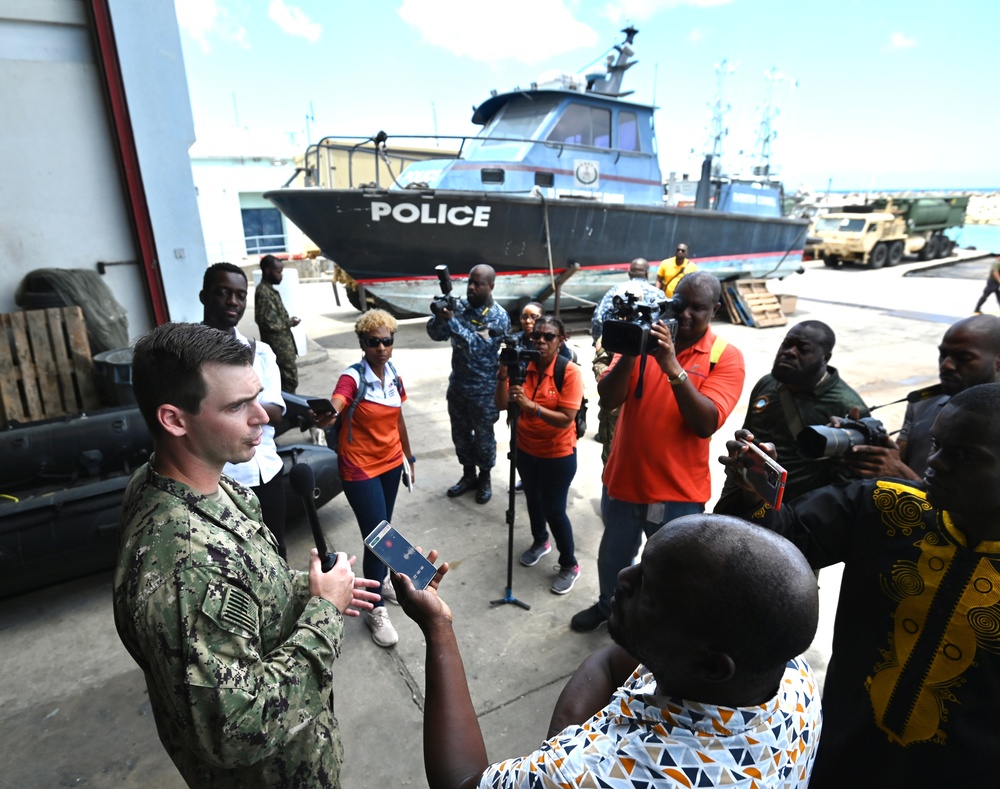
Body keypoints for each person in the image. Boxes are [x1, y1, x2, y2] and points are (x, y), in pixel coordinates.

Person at [113, 322, 379, 788]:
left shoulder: (196, 483)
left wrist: (307, 587)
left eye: (256, 396)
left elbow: (244, 582)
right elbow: (239, 729)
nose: (264, 416)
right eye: (237, 406)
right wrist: (325, 611)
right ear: (174, 419)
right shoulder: (185, 563)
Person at [393, 514, 822, 788]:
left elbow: (463, 781)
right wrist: (563, 745)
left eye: (649, 591)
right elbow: (613, 660)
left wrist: (438, 627)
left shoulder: (607, 774)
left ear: (711, 665)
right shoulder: (786, 673)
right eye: (641, 561)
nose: (623, 576)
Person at [718, 382, 1000, 786]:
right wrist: (752, 494)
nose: (935, 463)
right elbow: (780, 543)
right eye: (937, 444)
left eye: (964, 455)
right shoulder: (885, 506)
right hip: (840, 751)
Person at [572, 271, 745, 632]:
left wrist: (672, 366)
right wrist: (634, 354)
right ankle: (610, 608)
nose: (685, 316)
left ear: (714, 309)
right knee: (613, 560)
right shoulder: (646, 339)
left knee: (673, 574)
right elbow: (608, 399)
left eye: (698, 308)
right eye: (680, 305)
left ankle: (659, 629)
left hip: (678, 493)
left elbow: (705, 423)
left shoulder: (724, 357)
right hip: (625, 482)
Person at [312, 309, 414, 648]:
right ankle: (375, 606)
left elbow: (398, 419)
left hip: (389, 463)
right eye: (374, 342)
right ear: (362, 343)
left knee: (385, 527)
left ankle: (379, 579)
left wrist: (408, 457)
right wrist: (329, 412)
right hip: (359, 467)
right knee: (379, 535)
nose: (381, 348)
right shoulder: (353, 376)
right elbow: (339, 400)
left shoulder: (395, 373)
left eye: (387, 341)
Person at [714, 320, 869, 513]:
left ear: (825, 358)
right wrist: (725, 505)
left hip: (798, 519)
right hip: (750, 503)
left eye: (803, 349)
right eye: (787, 344)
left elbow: (851, 486)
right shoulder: (767, 384)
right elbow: (744, 454)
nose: (789, 352)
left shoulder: (845, 405)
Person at [841, 314, 1000, 481]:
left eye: (963, 357)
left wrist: (903, 477)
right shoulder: (922, 403)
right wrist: (862, 447)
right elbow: (898, 460)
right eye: (943, 354)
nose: (946, 365)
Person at [200, 262, 289, 557]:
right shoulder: (187, 357)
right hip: (220, 481)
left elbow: (275, 411)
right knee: (231, 561)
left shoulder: (260, 352)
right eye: (223, 293)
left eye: (240, 295)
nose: (232, 302)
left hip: (266, 472)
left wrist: (227, 407)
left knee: (277, 555)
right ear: (204, 296)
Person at [496, 315, 584, 594]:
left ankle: (570, 564)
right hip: (525, 450)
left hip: (558, 454)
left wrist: (530, 406)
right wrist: (503, 372)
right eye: (537, 337)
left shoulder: (569, 372)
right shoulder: (523, 367)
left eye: (549, 337)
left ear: (561, 340)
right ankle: (540, 541)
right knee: (532, 500)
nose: (542, 341)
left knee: (554, 509)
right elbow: (500, 404)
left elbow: (566, 418)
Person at [427, 264, 510, 504]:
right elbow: (436, 334)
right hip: (459, 386)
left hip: (484, 389)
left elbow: (478, 346)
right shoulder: (459, 307)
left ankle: (484, 478)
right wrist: (440, 317)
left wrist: (451, 321)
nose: (471, 288)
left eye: (478, 284)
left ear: (490, 286)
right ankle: (468, 475)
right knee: (460, 435)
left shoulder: (498, 316)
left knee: (484, 438)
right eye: (469, 283)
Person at [590, 258, 665, 463]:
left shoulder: (653, 334)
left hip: (646, 403)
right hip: (615, 405)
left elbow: (597, 320)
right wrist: (605, 377)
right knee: (612, 456)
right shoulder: (657, 296)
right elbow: (600, 361)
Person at [590, 257, 666, 344]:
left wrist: (601, 342)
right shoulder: (658, 294)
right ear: (647, 274)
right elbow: (663, 323)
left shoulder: (615, 290)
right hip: (647, 349)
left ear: (629, 273)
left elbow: (598, 319)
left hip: (616, 346)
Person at [254, 254, 301, 393]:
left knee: (288, 381)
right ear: (268, 271)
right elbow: (267, 323)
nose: (281, 276)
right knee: (287, 382)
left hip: (282, 347)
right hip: (278, 349)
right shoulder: (264, 292)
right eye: (278, 272)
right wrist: (289, 322)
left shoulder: (269, 290)